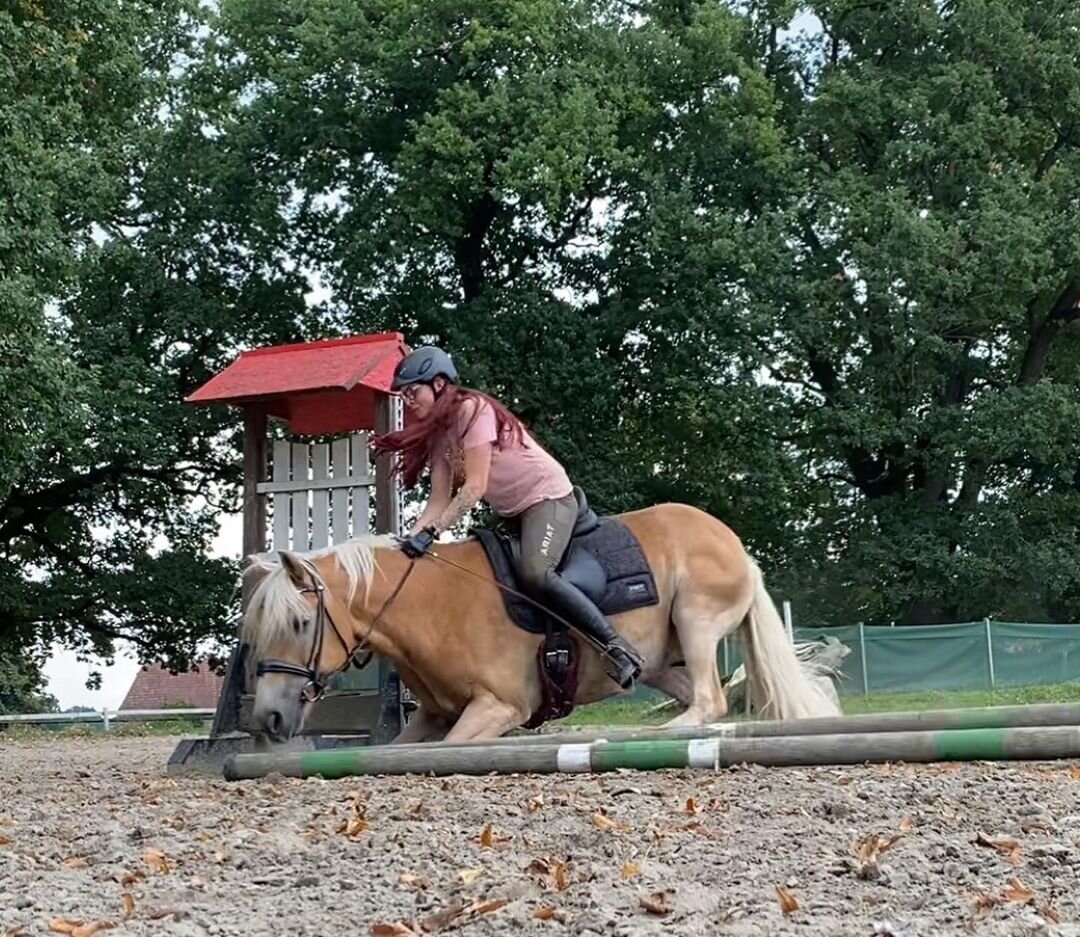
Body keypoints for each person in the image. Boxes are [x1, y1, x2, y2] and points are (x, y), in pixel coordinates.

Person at [371, 345, 644, 689]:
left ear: (439, 384)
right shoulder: (439, 436)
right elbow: (437, 500)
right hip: (512, 512)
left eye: (412, 392)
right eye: (404, 396)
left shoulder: (473, 410)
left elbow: (474, 487)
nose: (409, 402)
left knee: (536, 572)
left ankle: (618, 648)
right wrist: (410, 539)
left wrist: (434, 532)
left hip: (548, 498)